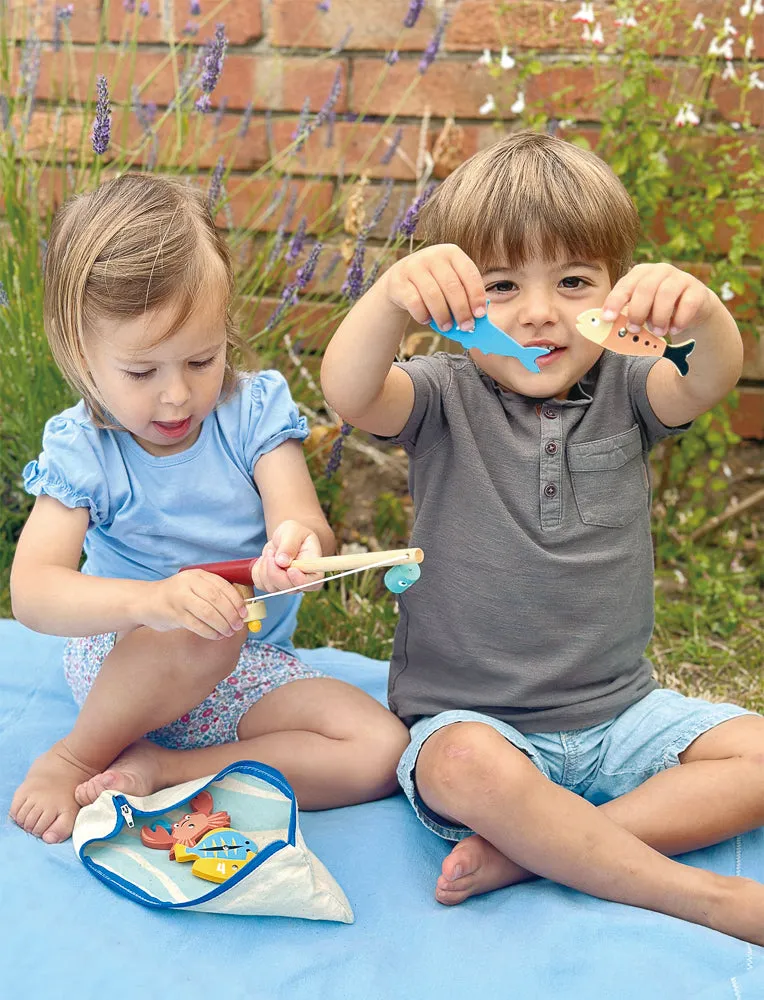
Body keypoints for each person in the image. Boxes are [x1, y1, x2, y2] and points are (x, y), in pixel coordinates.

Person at [320, 131, 764, 945]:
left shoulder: (631, 388)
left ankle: (535, 851)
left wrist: (703, 316)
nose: (538, 312)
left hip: (619, 713)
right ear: (454, 303)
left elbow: (711, 375)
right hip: (477, 723)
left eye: (572, 281)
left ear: (615, 289)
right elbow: (350, 391)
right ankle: (695, 896)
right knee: (460, 768)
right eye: (500, 285)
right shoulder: (439, 395)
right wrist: (387, 300)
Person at [10, 173, 408, 846]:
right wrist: (151, 602)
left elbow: (303, 520)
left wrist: (296, 546)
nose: (176, 397)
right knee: (203, 633)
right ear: (81, 353)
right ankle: (77, 756)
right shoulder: (87, 446)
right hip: (130, 667)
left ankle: (167, 769)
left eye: (200, 360)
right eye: (142, 373)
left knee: (379, 748)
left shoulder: (250, 413)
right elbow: (33, 591)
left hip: (247, 667)